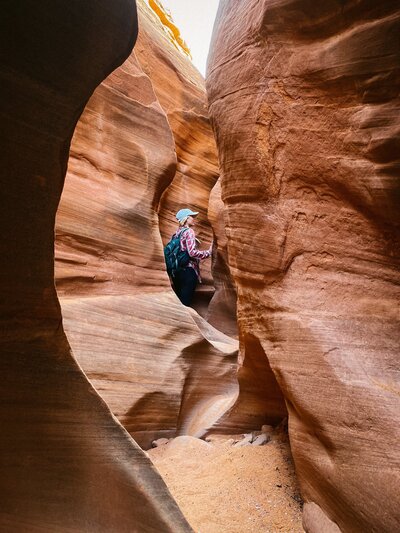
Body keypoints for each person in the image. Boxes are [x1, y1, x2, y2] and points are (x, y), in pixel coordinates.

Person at [172, 208, 213, 306]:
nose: (194, 219)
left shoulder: (175, 234)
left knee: (180, 303)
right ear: (186, 219)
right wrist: (208, 252)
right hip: (188, 271)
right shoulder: (189, 231)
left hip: (176, 272)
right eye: (192, 217)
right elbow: (192, 253)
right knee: (185, 303)